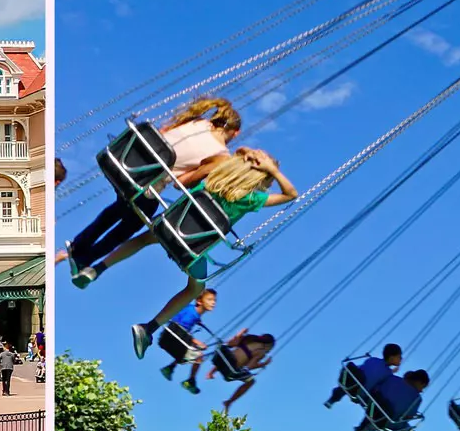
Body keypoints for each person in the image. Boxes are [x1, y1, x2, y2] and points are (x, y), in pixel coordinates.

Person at [127, 148, 300, 349]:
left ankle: (97, 266)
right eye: (268, 182)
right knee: (196, 288)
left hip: (170, 226)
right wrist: (274, 170)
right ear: (261, 178)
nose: (268, 187)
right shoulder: (252, 199)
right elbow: (291, 194)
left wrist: (249, 154)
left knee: (145, 238)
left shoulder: (217, 177)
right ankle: (148, 328)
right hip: (192, 247)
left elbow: (238, 152)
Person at [66, 97, 242, 284]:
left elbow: (161, 134)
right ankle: (85, 258)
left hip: (125, 162)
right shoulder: (221, 155)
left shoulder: (195, 120)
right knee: (134, 220)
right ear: (235, 133)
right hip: (146, 185)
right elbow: (180, 183)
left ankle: (78, 245)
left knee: (121, 206)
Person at [354, 368, 433, 431]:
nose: (421, 391)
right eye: (422, 387)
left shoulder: (392, 379)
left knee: (374, 421)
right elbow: (406, 417)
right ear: (419, 382)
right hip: (391, 423)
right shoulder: (416, 398)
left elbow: (377, 390)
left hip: (374, 411)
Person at [148, 288, 218, 391]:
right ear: (199, 301)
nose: (213, 303)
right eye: (210, 300)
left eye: (214, 300)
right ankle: (191, 381)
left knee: (188, 351)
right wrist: (196, 342)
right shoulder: (192, 314)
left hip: (171, 339)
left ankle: (170, 368)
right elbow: (179, 328)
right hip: (172, 337)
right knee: (199, 356)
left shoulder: (193, 311)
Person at [213, 331, 276, 411]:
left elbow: (232, 343)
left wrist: (241, 333)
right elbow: (250, 366)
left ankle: (211, 372)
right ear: (268, 345)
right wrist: (264, 364)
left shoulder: (250, 339)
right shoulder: (261, 351)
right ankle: (229, 401)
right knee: (251, 381)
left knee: (227, 356)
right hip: (232, 368)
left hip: (224, 359)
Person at [330, 344, 401, 408]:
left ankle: (335, 397)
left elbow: (370, 371)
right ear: (391, 357)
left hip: (353, 383)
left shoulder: (373, 360)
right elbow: (379, 378)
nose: (401, 359)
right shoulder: (388, 374)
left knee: (353, 374)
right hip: (360, 393)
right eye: (399, 357)